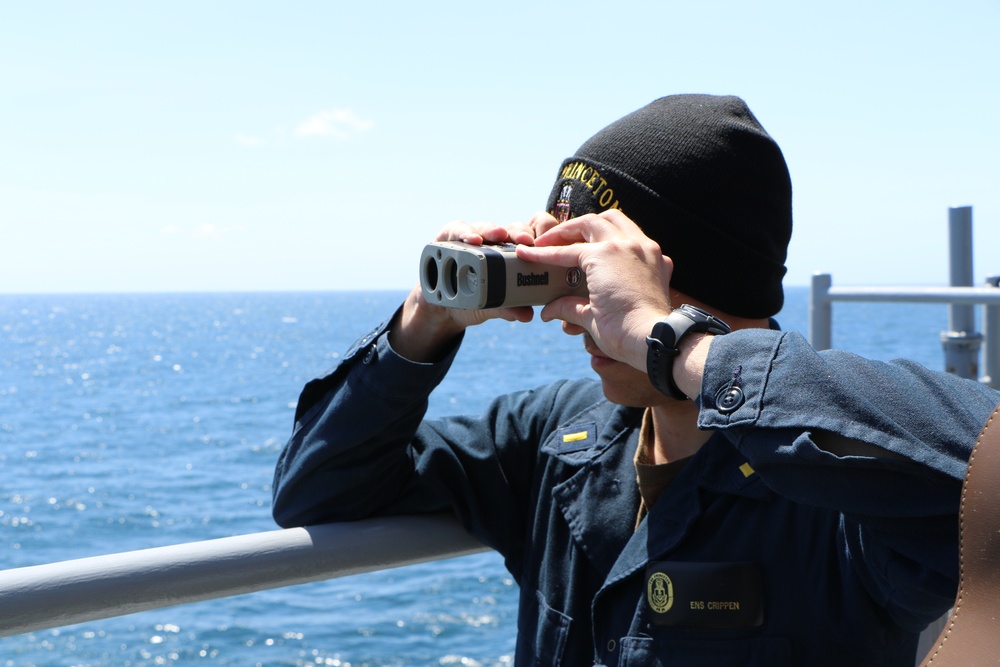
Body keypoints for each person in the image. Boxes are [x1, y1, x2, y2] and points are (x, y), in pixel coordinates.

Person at [271, 95, 1000, 666]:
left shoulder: (835, 493)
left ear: (670, 275)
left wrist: (669, 341)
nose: (570, 318)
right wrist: (422, 323)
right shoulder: (559, 442)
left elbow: (980, 462)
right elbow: (318, 490)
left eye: (591, 278)